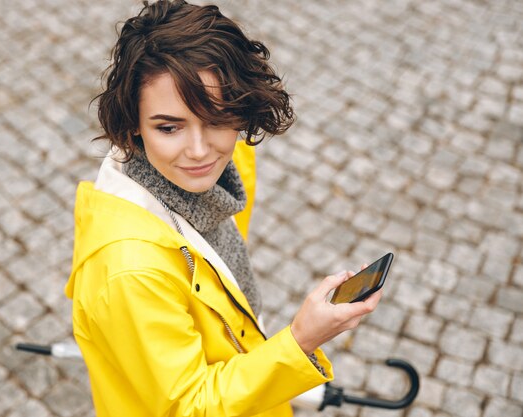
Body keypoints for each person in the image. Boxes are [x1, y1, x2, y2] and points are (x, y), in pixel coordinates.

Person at [64, 1, 382, 416]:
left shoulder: (225, 170)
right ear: (132, 126)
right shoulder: (131, 274)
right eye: (169, 127)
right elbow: (189, 406)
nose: (199, 151)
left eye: (216, 118)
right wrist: (300, 340)